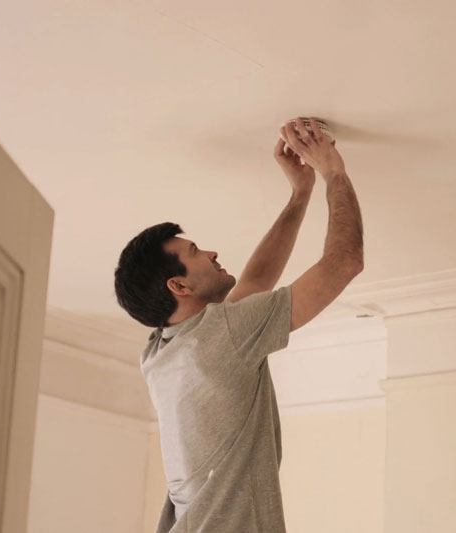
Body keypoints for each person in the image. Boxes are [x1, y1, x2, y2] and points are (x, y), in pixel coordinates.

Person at [113, 117, 364, 532]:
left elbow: (254, 284)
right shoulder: (218, 340)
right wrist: (333, 172)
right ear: (178, 285)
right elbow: (344, 263)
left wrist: (300, 193)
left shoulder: (163, 351)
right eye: (195, 252)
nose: (210, 251)